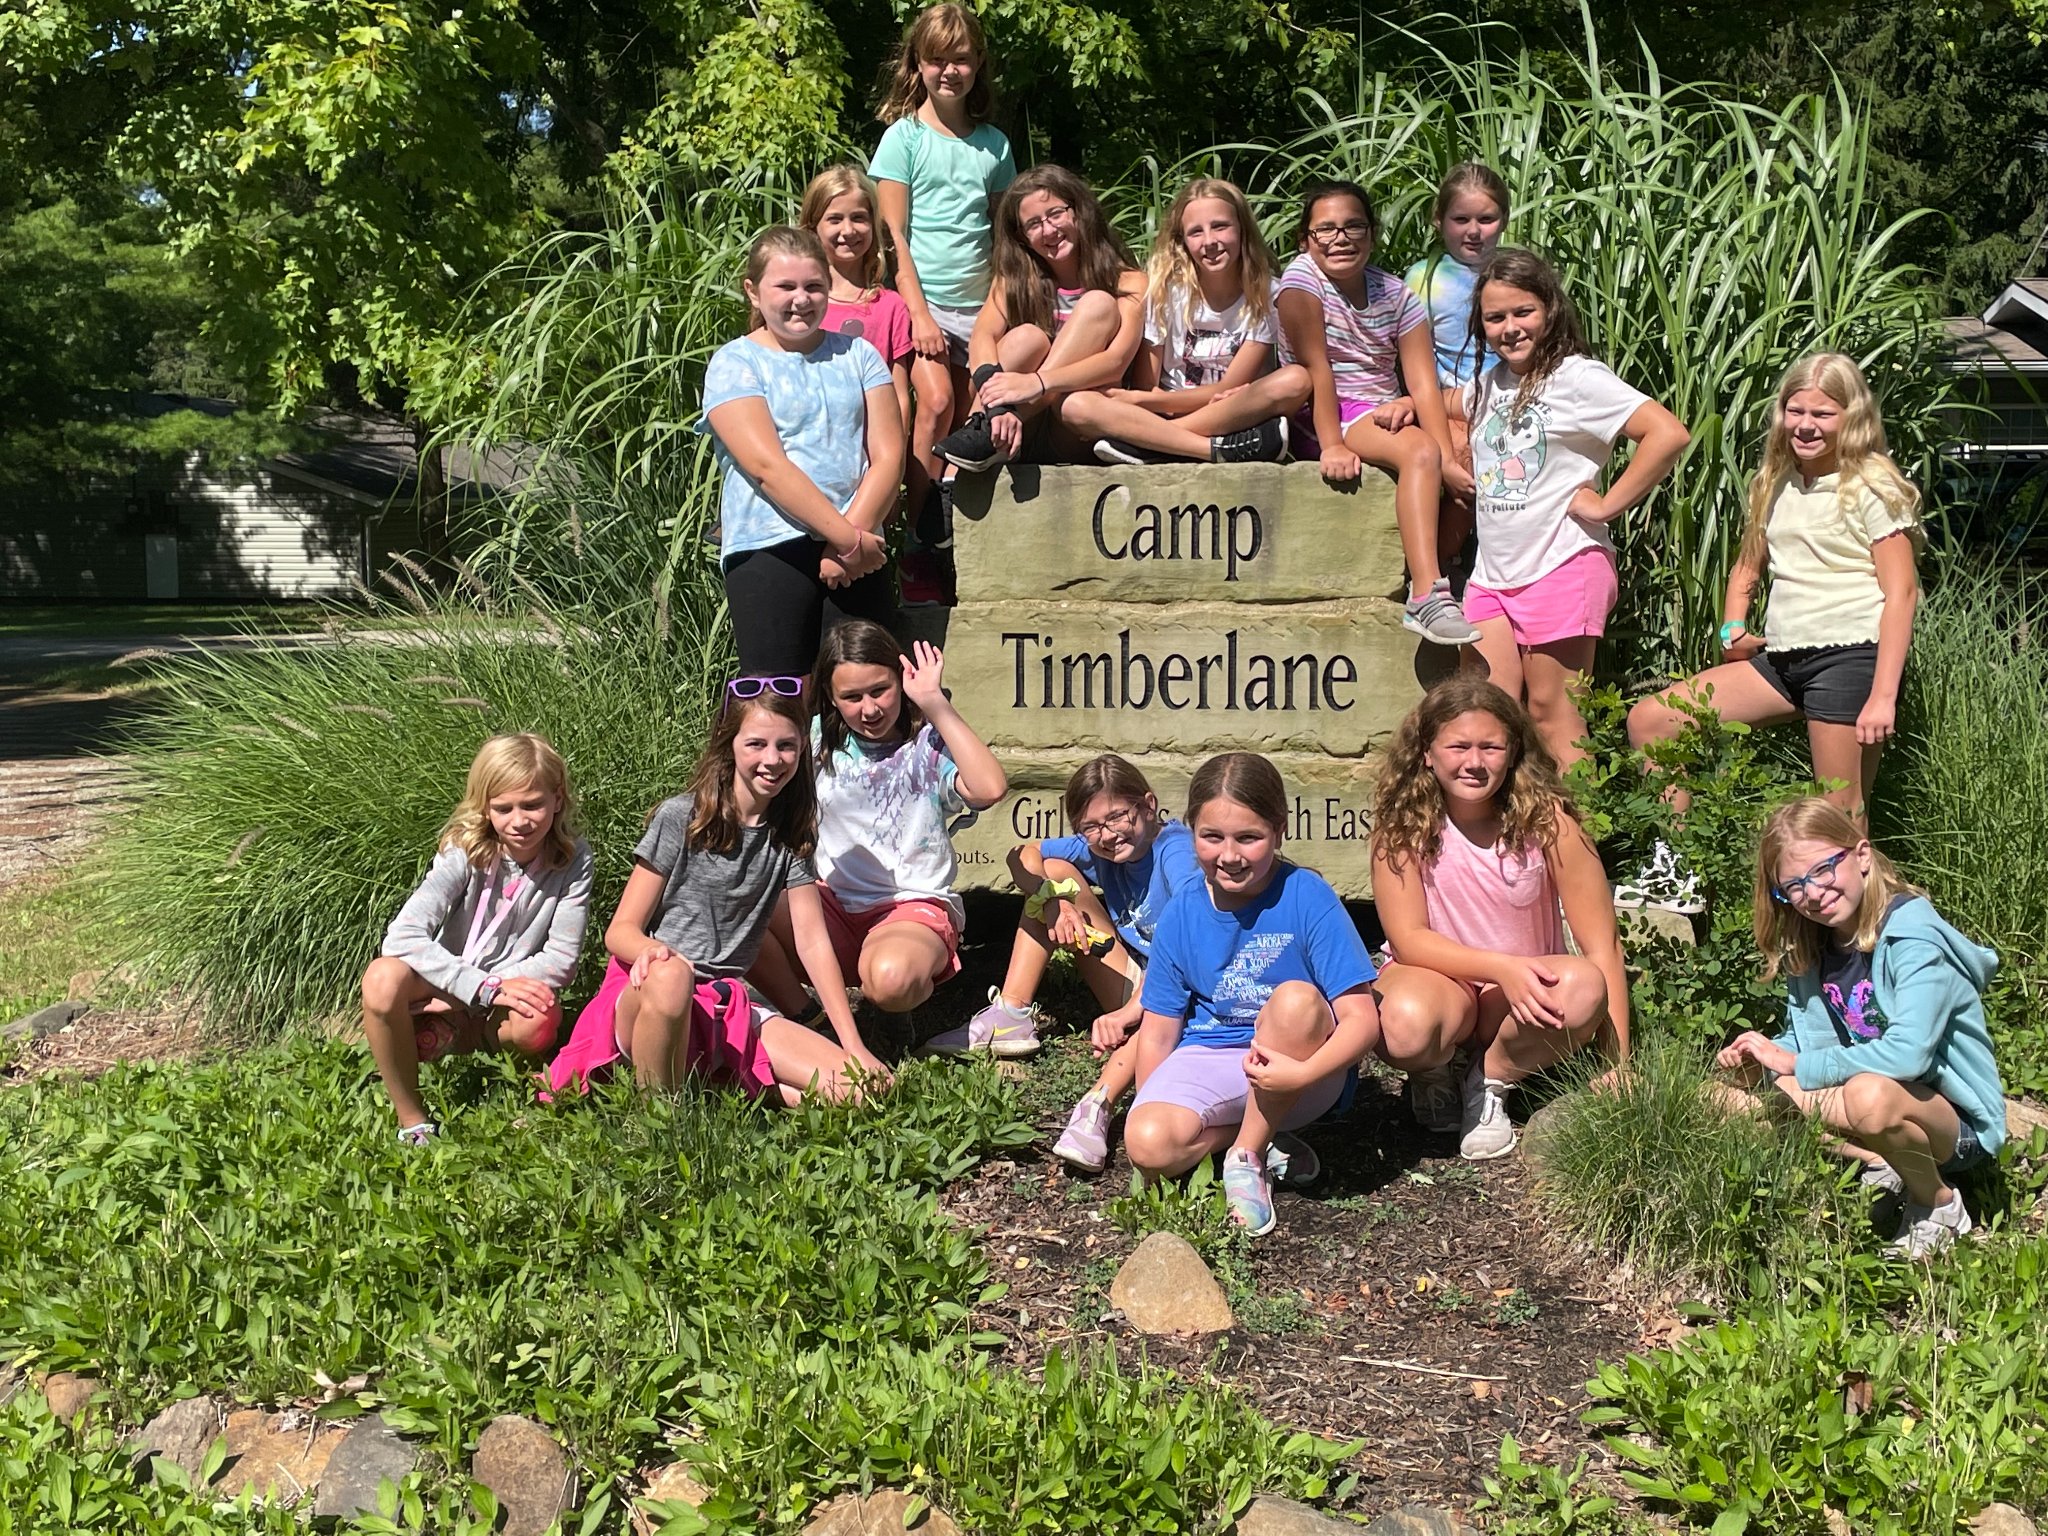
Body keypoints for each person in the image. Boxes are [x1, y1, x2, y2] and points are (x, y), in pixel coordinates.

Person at [1622, 354, 1922, 911]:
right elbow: (1747, 565)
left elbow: (1902, 594)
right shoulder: (1775, 480)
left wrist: (1883, 695)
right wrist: (1733, 627)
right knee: (1653, 720)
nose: (1805, 425)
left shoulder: (1873, 486)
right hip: (1783, 659)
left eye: (1822, 414)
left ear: (1852, 417)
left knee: (1841, 815)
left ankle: (1877, 929)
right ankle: (1676, 875)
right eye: (1795, 410)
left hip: (1850, 656)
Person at [549, 682, 888, 1103]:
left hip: (725, 1007)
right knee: (674, 977)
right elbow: (620, 931)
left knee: (866, 1090)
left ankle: (716, 1084)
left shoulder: (792, 834)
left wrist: (854, 1046)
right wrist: (653, 953)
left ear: (802, 748)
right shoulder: (682, 818)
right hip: (650, 996)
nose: (772, 759)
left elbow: (813, 942)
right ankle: (660, 1116)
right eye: (756, 744)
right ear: (729, 746)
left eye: (786, 746)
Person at [1717, 797, 2004, 1259]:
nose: (1813, 893)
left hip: (1951, 1123)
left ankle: (1939, 1205)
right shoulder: (1812, 946)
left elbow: (1909, 1054)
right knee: (1729, 1098)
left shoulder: (1913, 938)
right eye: (1793, 887)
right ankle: (1880, 1162)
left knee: (1867, 1095)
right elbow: (1807, 1041)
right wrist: (1762, 1058)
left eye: (1822, 869)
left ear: (1862, 855)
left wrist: (1794, 1064)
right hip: (1867, 1100)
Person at [1368, 676, 1629, 1159]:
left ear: (1513, 753)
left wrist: (1618, 1065)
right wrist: (1501, 968)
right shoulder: (1401, 827)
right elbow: (1408, 939)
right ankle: (1433, 1070)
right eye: (1458, 746)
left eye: (1490, 747)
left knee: (1584, 986)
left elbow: (1602, 945)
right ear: (1427, 753)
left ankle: (1489, 1079)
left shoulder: (1550, 822)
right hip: (1438, 983)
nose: (1474, 762)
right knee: (1402, 1022)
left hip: (1517, 1002)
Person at [1123, 752, 1381, 1237]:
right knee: (1147, 1144)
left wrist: (1301, 1074)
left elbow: (1362, 1019)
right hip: (1211, 1053)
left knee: (1296, 1001)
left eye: (1248, 838)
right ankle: (1263, 1136)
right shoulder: (1182, 911)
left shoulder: (1306, 895)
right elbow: (1157, 1033)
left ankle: (1246, 1155)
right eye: (1211, 837)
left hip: (1300, 1068)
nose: (1229, 855)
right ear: (1190, 832)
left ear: (1279, 831)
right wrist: (1152, 1105)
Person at [1450, 248, 1690, 769]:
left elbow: (1667, 433)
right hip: (1492, 577)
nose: (1509, 328)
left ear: (1550, 309)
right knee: (1484, 714)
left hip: (1562, 563)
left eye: (1523, 312)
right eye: (1495, 317)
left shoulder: (1577, 377)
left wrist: (1607, 506)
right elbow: (1446, 408)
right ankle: (1511, 820)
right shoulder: (1489, 384)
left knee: (1551, 715)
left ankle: (1574, 821)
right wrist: (1408, 413)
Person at [936, 754, 1203, 1171]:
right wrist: (1052, 902)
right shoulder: (1101, 848)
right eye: (1090, 827)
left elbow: (1193, 929)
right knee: (1054, 874)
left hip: (1185, 989)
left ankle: (1098, 1104)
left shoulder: (1175, 852)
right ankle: (1012, 1012)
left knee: (1161, 1009)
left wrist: (1137, 1007)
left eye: (1117, 817)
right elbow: (1022, 855)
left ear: (1149, 806)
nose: (1107, 835)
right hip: (1138, 977)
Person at [1275, 179, 1478, 647]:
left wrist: (1449, 458)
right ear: (1305, 239)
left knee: (1462, 454)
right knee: (1422, 452)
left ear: (1371, 232)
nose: (1340, 238)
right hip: (1326, 412)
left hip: (1380, 409)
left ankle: (1445, 569)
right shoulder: (1302, 280)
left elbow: (1423, 384)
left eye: (1353, 226)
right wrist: (1332, 444)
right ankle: (1426, 595)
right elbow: (1316, 368)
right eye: (1325, 229)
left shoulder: (1395, 294)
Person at [362, 733, 593, 1144]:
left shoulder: (573, 859)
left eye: (533, 805)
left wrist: (486, 991)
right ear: (485, 807)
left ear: (557, 798)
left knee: (540, 1015)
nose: (519, 821)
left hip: (490, 996)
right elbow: (402, 936)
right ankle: (412, 1118)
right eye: (503, 808)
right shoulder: (464, 850)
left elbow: (561, 959)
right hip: (454, 984)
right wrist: (477, 987)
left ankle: (520, 1084)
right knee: (382, 979)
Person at [769, 622, 1006, 1020]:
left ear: (901, 680)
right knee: (737, 905)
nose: (870, 709)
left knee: (890, 979)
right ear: (831, 696)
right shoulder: (817, 739)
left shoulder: (929, 744)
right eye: (852, 697)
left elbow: (990, 788)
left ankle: (902, 1004)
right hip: (831, 906)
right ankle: (807, 1016)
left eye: (880, 690)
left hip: (910, 905)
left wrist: (934, 702)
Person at [700, 225, 903, 675]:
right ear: (753, 292)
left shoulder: (860, 354)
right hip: (772, 547)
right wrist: (846, 540)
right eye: (785, 287)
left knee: (862, 693)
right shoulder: (735, 362)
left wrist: (852, 540)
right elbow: (766, 466)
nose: (801, 299)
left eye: (813, 286)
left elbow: (889, 455)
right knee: (780, 697)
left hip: (859, 547)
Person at [872, 2, 1015, 598]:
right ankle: (917, 541)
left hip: (979, 308)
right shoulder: (903, 139)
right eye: (937, 60)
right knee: (933, 403)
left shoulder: (994, 146)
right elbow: (893, 237)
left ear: (978, 64)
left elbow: (1006, 237)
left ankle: (954, 538)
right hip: (922, 304)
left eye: (961, 59)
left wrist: (996, 312)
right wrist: (920, 314)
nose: (949, 71)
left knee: (970, 420)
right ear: (918, 65)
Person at [1058, 176, 1309, 466]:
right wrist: (1148, 402)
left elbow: (1228, 387)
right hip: (1166, 412)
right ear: (1183, 241)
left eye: (1220, 226)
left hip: (1228, 411)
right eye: (1196, 232)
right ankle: (1212, 448)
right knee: (1075, 406)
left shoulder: (1267, 294)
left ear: (1242, 229)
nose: (1210, 241)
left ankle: (1151, 443)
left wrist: (1143, 402)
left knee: (1295, 380)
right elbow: (1146, 383)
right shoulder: (1165, 292)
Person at [932, 164, 1148, 471]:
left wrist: (1038, 383)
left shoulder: (1128, 281)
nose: (1048, 230)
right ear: (1022, 237)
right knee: (1026, 338)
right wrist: (999, 409)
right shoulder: (1015, 280)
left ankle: (980, 441)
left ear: (1079, 211)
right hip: (1007, 422)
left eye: (1055, 214)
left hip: (1073, 423)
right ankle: (968, 456)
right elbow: (983, 336)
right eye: (1033, 224)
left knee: (1098, 304)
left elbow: (1115, 362)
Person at [1402, 162, 1511, 569]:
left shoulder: (1517, 272)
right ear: (1439, 220)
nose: (1474, 231)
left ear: (1504, 220)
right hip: (1452, 405)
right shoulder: (1424, 280)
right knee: (1470, 462)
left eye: (1487, 219)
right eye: (1461, 219)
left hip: (1513, 401)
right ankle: (1440, 566)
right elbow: (1414, 367)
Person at [803, 165, 915, 435]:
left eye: (859, 218)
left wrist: (894, 451)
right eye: (834, 219)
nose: (848, 230)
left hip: (873, 448)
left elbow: (899, 396)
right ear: (813, 227)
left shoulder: (890, 306)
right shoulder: (802, 304)